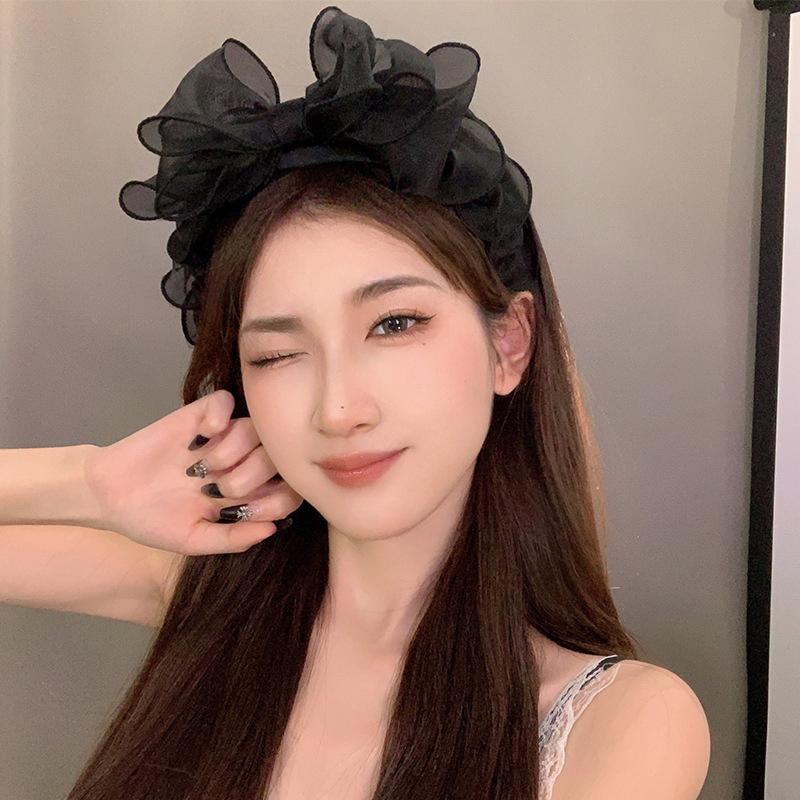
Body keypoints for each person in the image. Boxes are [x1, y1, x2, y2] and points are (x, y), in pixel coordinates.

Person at [1, 6, 711, 800]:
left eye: (395, 323)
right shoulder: (205, 597)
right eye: (278, 353)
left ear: (509, 344)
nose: (337, 411)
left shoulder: (619, 725)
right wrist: (89, 483)